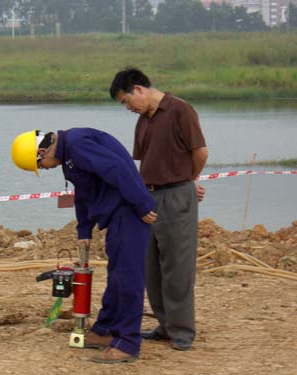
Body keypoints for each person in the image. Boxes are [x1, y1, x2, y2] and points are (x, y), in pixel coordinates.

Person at [10, 128, 157, 364]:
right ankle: (105, 330)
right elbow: (84, 191)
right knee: (117, 275)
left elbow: (117, 169)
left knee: (128, 277)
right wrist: (83, 229)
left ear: (42, 151)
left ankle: (128, 342)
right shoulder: (70, 154)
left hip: (129, 212)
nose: (47, 168)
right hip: (119, 213)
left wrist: (142, 204)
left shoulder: (78, 145)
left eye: (42, 165)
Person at [109, 68, 208, 351]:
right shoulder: (143, 121)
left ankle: (182, 330)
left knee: (178, 265)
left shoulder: (180, 111)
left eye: (127, 101)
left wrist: (187, 181)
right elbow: (144, 162)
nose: (128, 108)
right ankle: (165, 325)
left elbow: (200, 152)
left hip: (176, 196)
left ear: (139, 89)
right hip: (148, 198)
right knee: (151, 265)